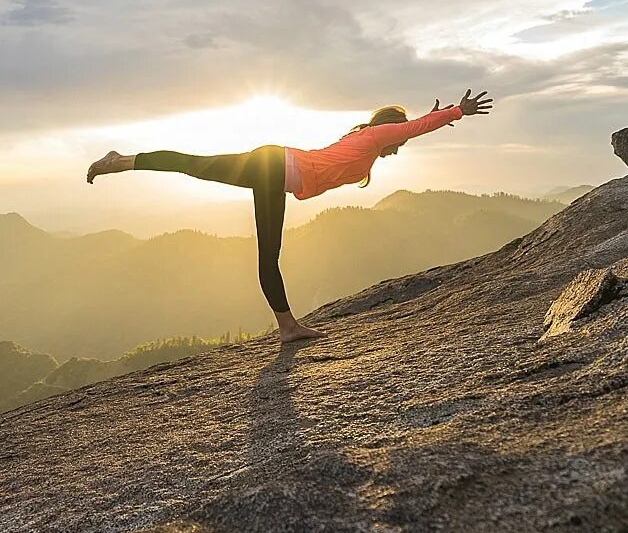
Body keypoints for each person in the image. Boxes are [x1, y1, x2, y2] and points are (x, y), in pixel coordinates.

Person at [87, 89, 493, 343]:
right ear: (391, 131)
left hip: (276, 172)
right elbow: (414, 130)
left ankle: (287, 326)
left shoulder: (365, 142)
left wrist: (423, 121)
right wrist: (457, 112)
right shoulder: (371, 137)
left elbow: (411, 130)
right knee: (197, 169)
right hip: (274, 168)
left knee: (260, 243)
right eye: (398, 140)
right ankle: (120, 160)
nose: (398, 148)